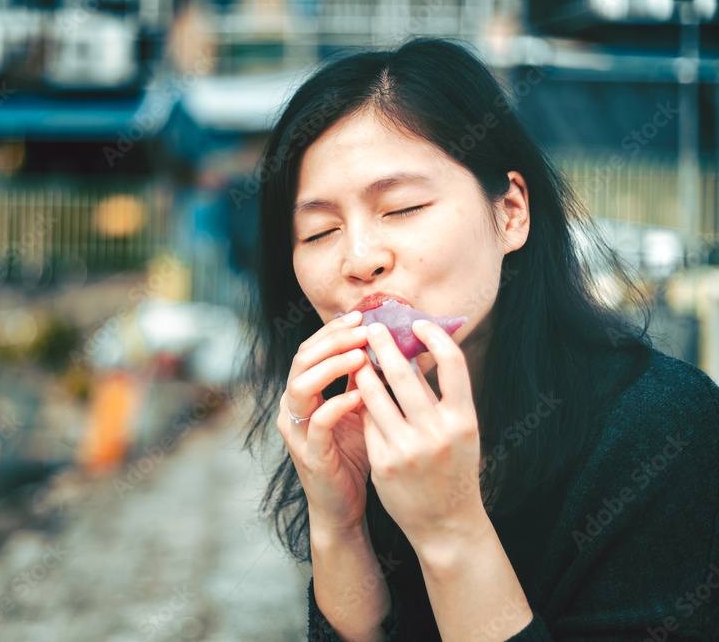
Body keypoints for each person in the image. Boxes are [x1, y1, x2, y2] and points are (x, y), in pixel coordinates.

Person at [238, 37, 719, 641]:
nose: (358, 259)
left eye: (402, 208)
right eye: (318, 232)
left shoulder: (667, 429)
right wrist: (339, 524)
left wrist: (450, 527)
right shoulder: (360, 434)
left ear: (511, 213)